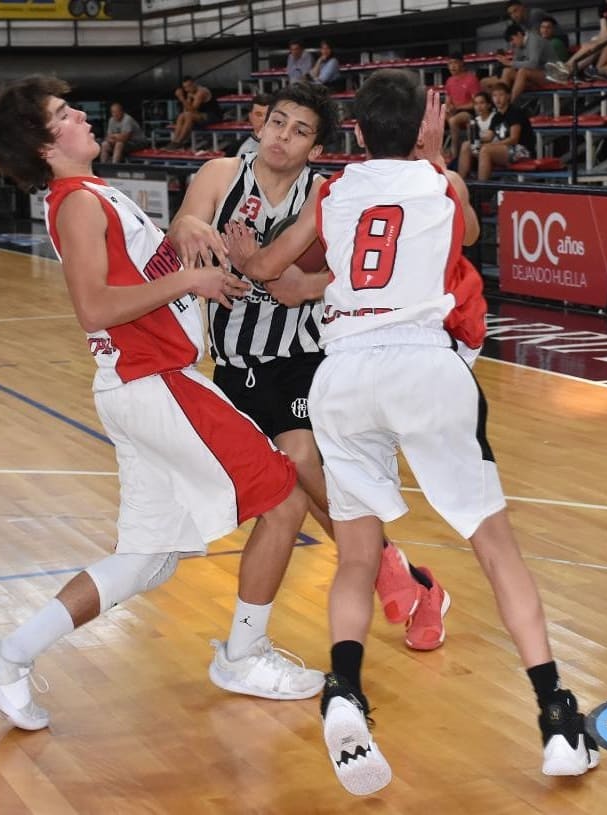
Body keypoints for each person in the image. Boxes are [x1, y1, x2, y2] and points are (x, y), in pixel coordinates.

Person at [240, 68, 599, 795]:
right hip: (424, 366)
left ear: (356, 130)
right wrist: (433, 159)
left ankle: (345, 690)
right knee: (495, 548)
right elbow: (465, 233)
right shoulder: (443, 183)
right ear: (428, 127)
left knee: (355, 556)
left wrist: (245, 250)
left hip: (343, 372)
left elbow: (271, 271)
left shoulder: (334, 191)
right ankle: (557, 718)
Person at [0, 76, 327, 734]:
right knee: (283, 498)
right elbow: (94, 307)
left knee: (146, 558)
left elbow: (142, 275)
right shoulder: (76, 202)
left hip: (142, 384)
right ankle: (242, 655)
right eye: (65, 114)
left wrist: (189, 248)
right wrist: (191, 279)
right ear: (45, 144)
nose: (81, 116)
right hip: (154, 380)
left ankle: (4, 658)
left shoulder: (91, 192)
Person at [169, 82, 450, 654]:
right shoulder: (220, 174)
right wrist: (190, 229)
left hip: (302, 353)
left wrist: (306, 286)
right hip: (233, 360)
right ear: (259, 125)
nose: (283, 137)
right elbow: (183, 227)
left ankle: (387, 572)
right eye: (278, 123)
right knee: (297, 485)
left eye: (300, 132)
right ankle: (406, 577)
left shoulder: (325, 193)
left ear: (316, 149)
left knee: (299, 459)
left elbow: (357, 270)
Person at [472, 81, 535, 180]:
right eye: (494, 96)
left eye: (501, 95)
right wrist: (473, 137)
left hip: (522, 150)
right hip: (504, 149)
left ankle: (481, 187)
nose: (497, 99)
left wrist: (492, 145)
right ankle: (461, 185)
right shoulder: (496, 116)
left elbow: (514, 139)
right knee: (467, 146)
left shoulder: (515, 112)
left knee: (486, 150)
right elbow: (488, 137)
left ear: (508, 96)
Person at [486, 22, 557, 101]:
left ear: (519, 34)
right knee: (506, 72)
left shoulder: (534, 40)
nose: (511, 44)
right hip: (535, 74)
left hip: (551, 74)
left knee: (523, 72)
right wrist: (504, 65)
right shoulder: (519, 44)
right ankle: (500, 103)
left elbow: (533, 64)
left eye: (512, 39)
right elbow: (515, 64)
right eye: (509, 42)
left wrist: (510, 63)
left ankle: (509, 104)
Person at [443, 52, 482, 160]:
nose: (452, 66)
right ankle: (438, 152)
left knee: (453, 120)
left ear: (462, 63)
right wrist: (448, 108)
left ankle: (454, 154)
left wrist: (458, 108)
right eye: (450, 64)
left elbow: (476, 103)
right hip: (454, 111)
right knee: (433, 119)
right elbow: (448, 101)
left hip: (468, 112)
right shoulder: (449, 81)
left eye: (455, 63)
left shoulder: (471, 79)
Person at [168, 76, 222, 149]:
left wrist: (182, 98)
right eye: (185, 87)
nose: (188, 89)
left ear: (194, 84)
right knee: (181, 116)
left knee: (189, 116)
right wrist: (186, 104)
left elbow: (192, 109)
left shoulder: (201, 92)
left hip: (213, 116)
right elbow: (186, 110)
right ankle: (174, 141)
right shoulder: (189, 93)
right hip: (200, 115)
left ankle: (179, 142)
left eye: (189, 86)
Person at [457, 91, 496, 178]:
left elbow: (489, 137)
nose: (479, 107)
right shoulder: (475, 120)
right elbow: (471, 139)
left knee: (469, 145)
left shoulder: (495, 117)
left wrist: (475, 138)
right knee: (465, 145)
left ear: (489, 105)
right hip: (480, 148)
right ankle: (461, 179)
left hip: (494, 147)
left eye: (482, 103)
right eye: (476, 104)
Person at [224, 93, 272, 157]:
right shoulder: (236, 147)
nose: (263, 119)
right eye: (258, 114)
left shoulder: (284, 145)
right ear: (250, 117)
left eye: (268, 115)